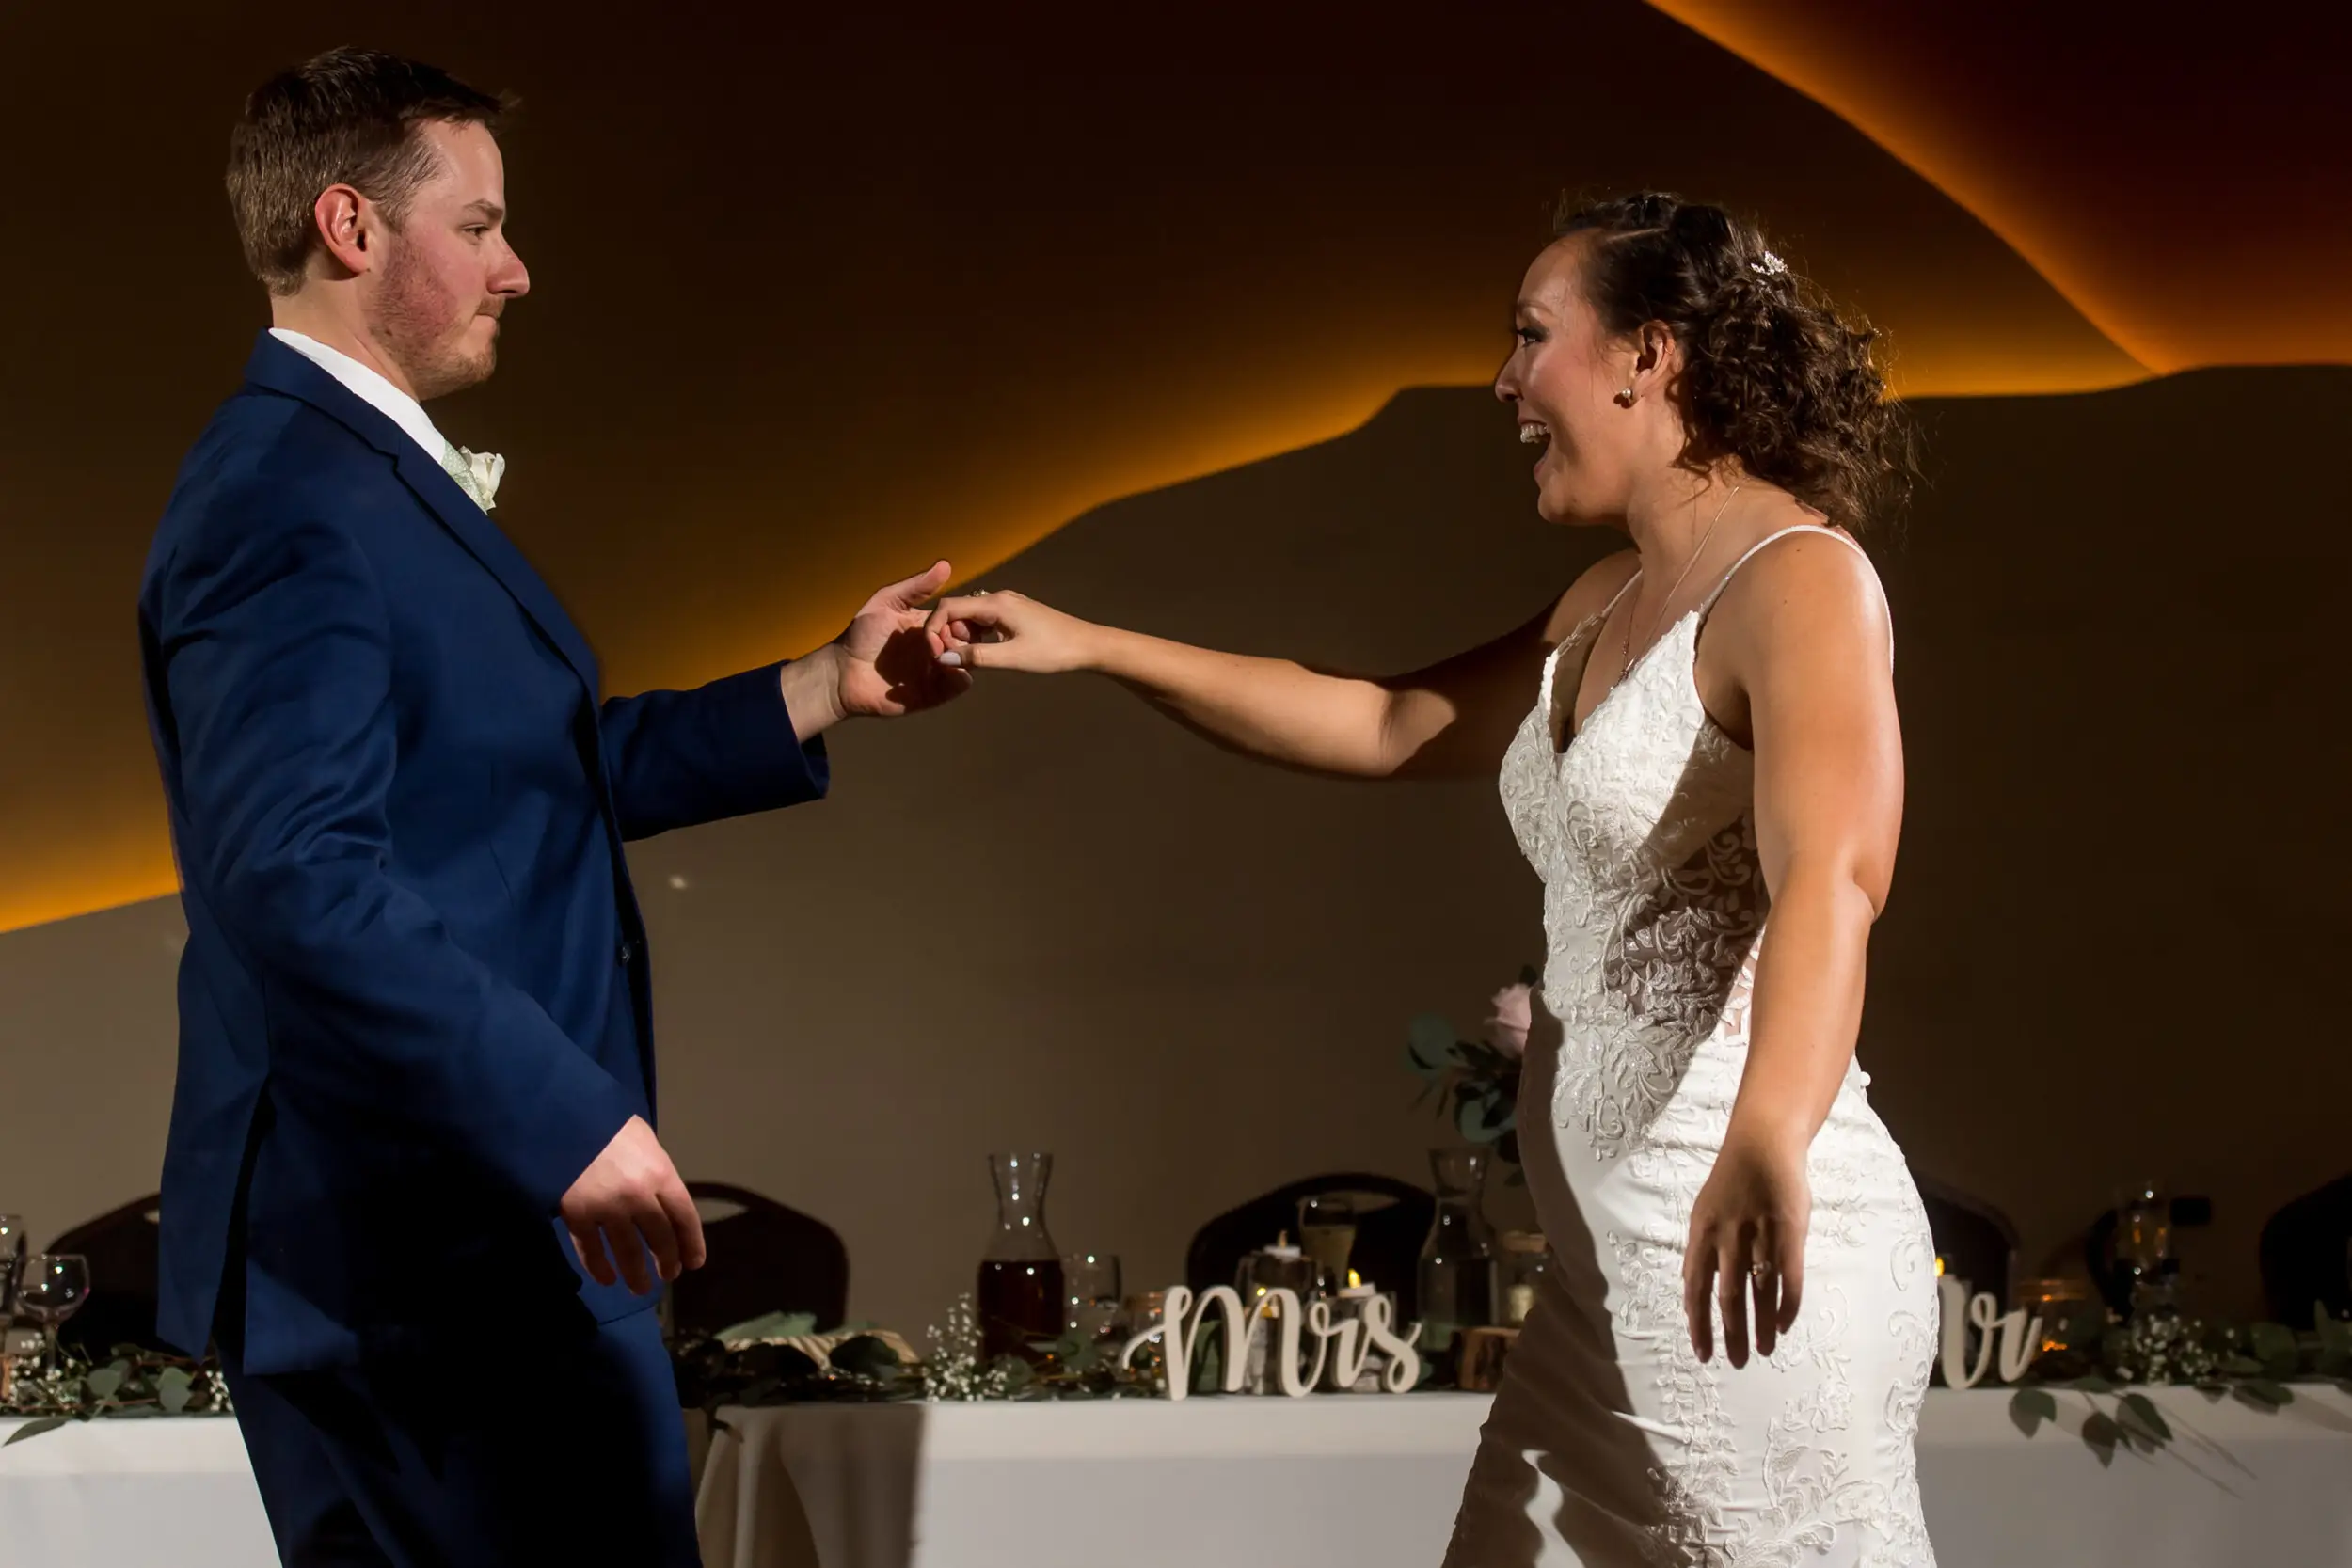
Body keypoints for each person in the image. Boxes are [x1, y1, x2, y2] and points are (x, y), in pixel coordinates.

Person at [930, 194, 1937, 1564]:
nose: (1506, 381)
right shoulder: (1600, 603)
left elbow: (1835, 872)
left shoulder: (1801, 579)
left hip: (1736, 1248)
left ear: (1650, 356)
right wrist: (1098, 645)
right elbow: (1384, 721)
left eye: (1533, 337)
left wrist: (1768, 1133)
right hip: (1599, 1270)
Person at [137, 48, 966, 1566]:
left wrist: (817, 688)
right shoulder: (281, 492)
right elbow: (293, 878)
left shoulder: (353, 477)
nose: (518, 269)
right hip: (413, 1262)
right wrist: (563, 1113)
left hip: (474, 1252)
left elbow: (519, 777)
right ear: (352, 228)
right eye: (481, 225)